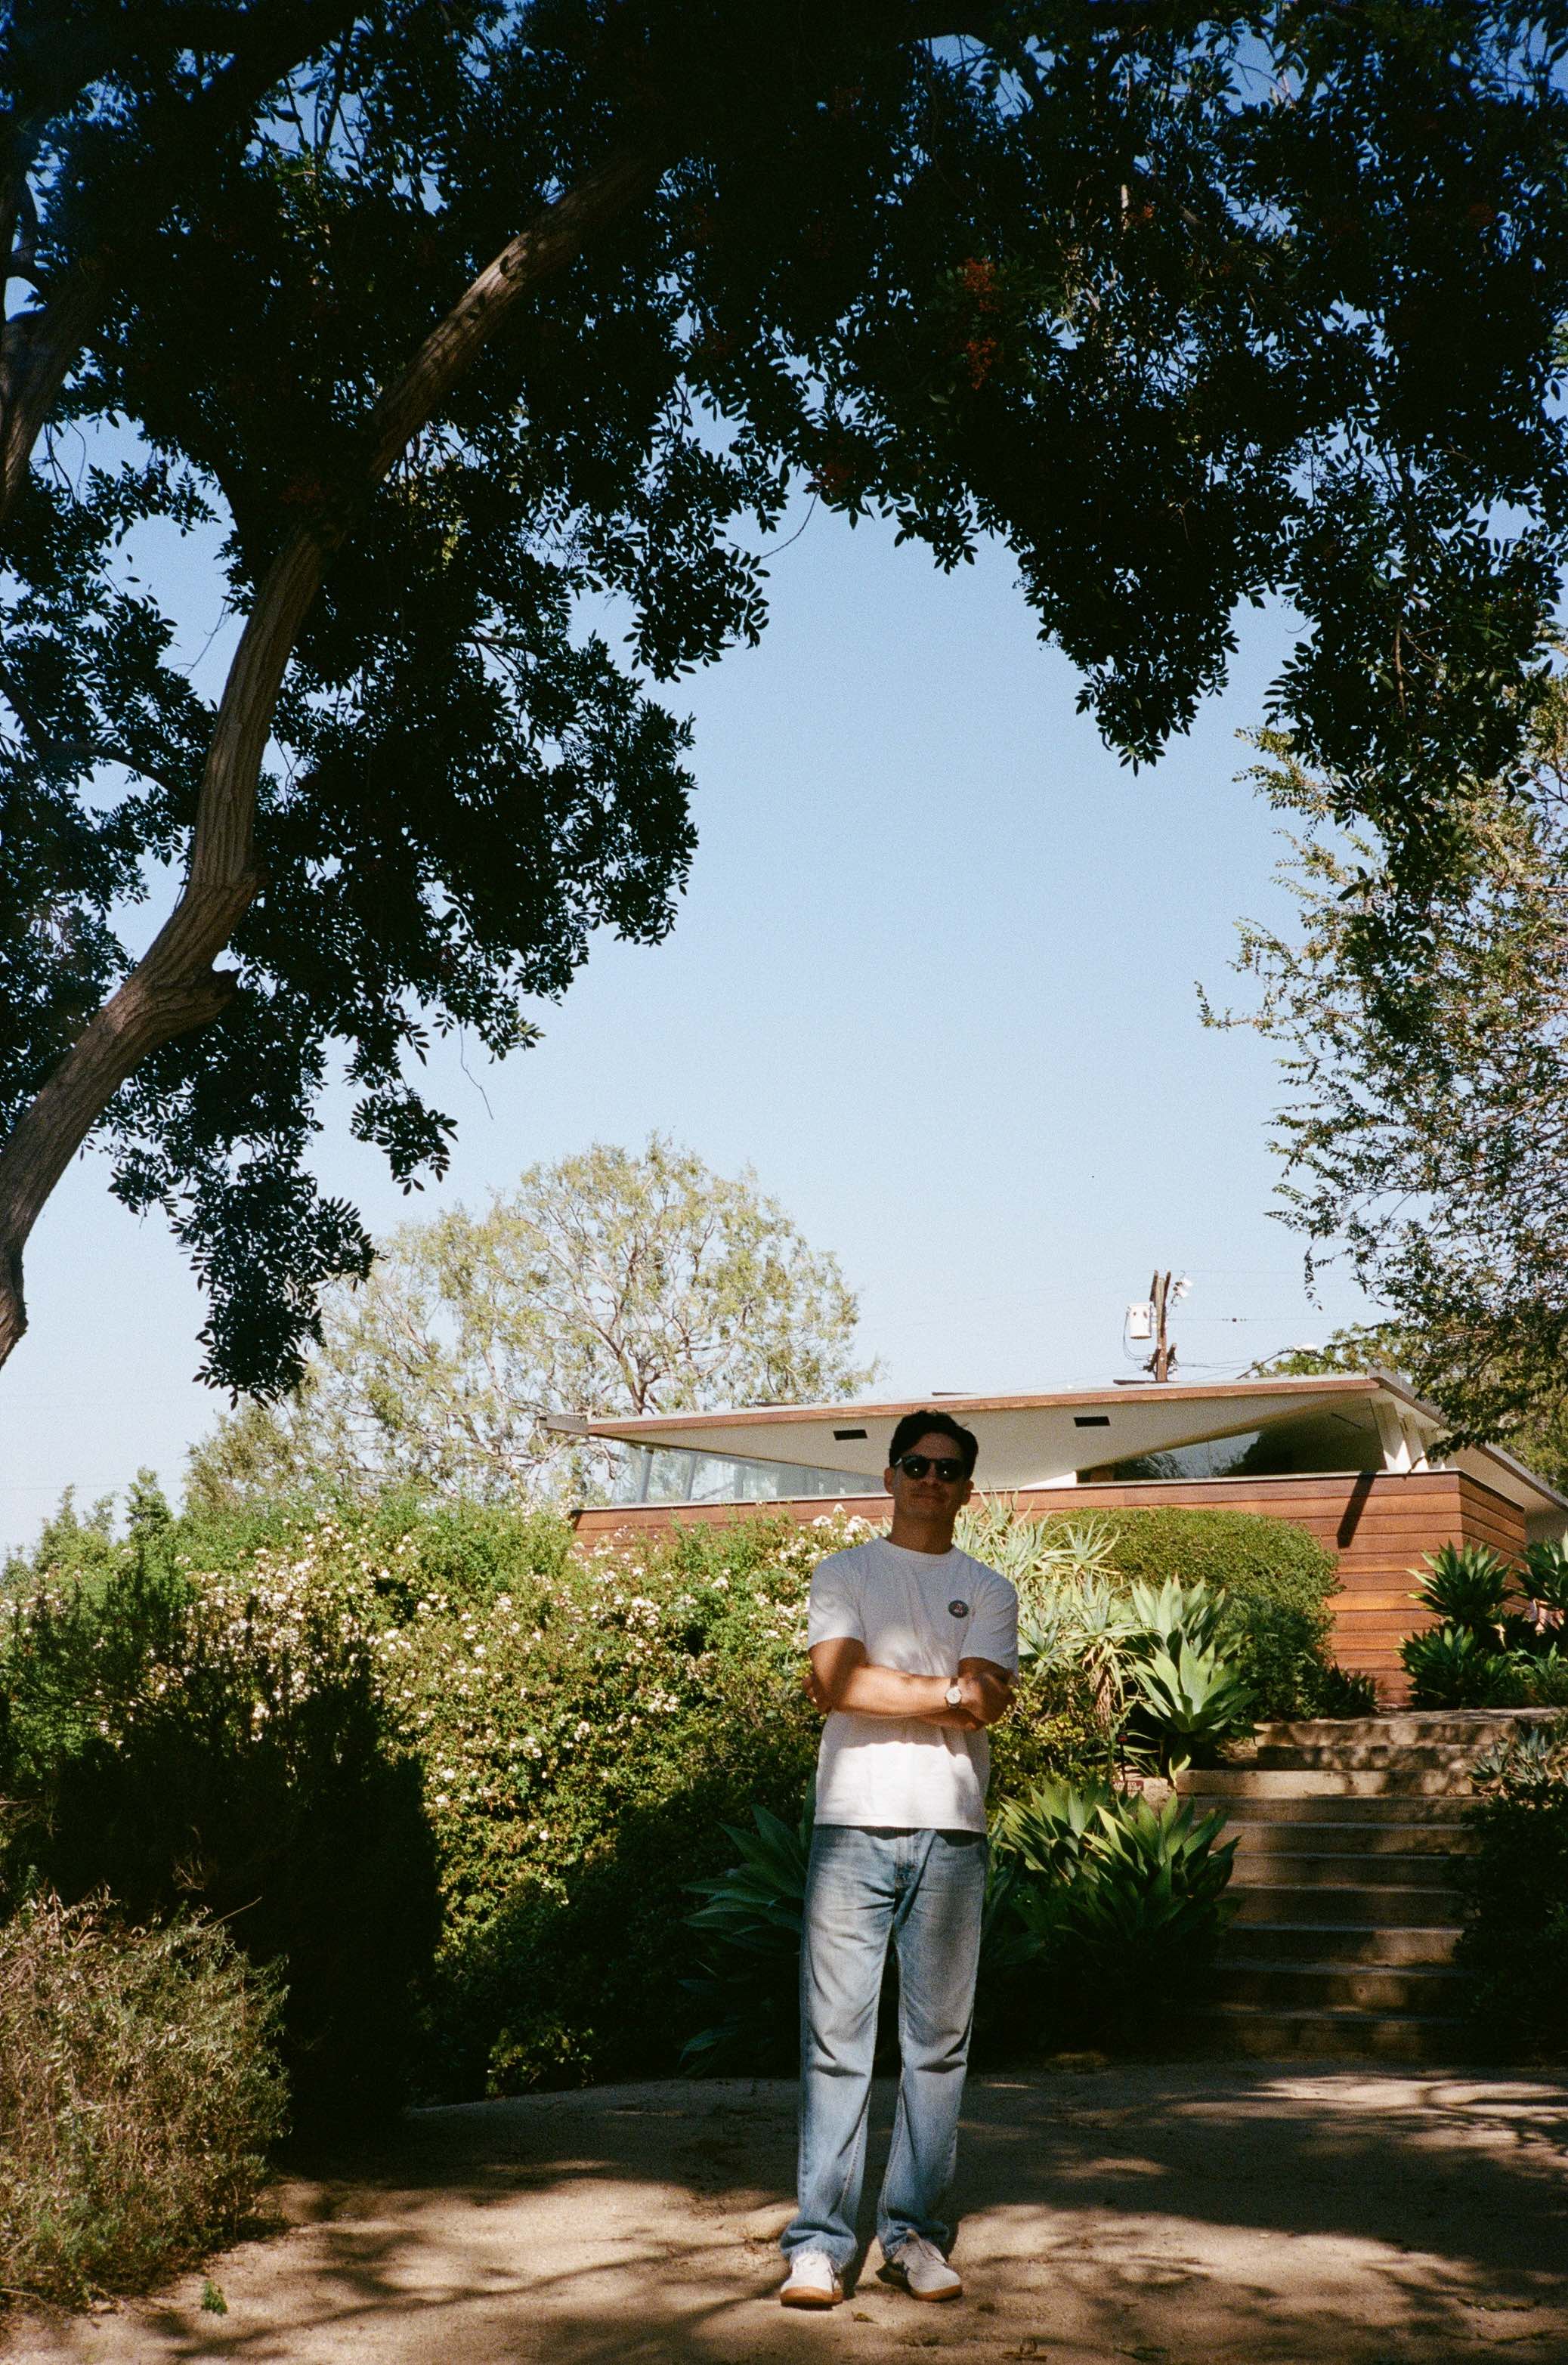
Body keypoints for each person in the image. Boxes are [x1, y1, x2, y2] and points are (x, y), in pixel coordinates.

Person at [778, 1409, 1017, 2311]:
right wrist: (945, 1688)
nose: (929, 1478)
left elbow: (986, 1701)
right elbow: (834, 1682)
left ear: (965, 1487)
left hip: (950, 1832)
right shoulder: (842, 1573)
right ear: (888, 1476)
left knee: (937, 2049)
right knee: (836, 2043)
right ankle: (818, 2244)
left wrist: (908, 1688)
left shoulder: (988, 1587)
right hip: (851, 1825)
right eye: (914, 1464)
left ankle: (911, 2232)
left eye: (946, 1468)